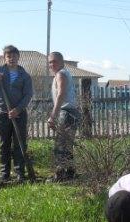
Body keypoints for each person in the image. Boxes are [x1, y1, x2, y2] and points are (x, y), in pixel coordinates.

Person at [0, 45, 33, 183]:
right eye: (8, 56)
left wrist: (18, 109)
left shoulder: (25, 75)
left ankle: (20, 173)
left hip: (19, 114)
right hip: (3, 114)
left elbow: (28, 94)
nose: (11, 59)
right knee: (4, 143)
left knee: (20, 144)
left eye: (14, 56)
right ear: (5, 58)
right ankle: (4, 173)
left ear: (18, 57)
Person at [47, 52, 80, 182]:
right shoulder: (63, 74)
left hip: (66, 112)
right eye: (50, 62)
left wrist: (53, 115)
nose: (52, 64)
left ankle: (60, 176)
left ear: (62, 62)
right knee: (67, 145)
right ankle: (70, 174)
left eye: (54, 61)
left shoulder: (61, 74)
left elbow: (61, 95)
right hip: (70, 112)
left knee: (61, 145)